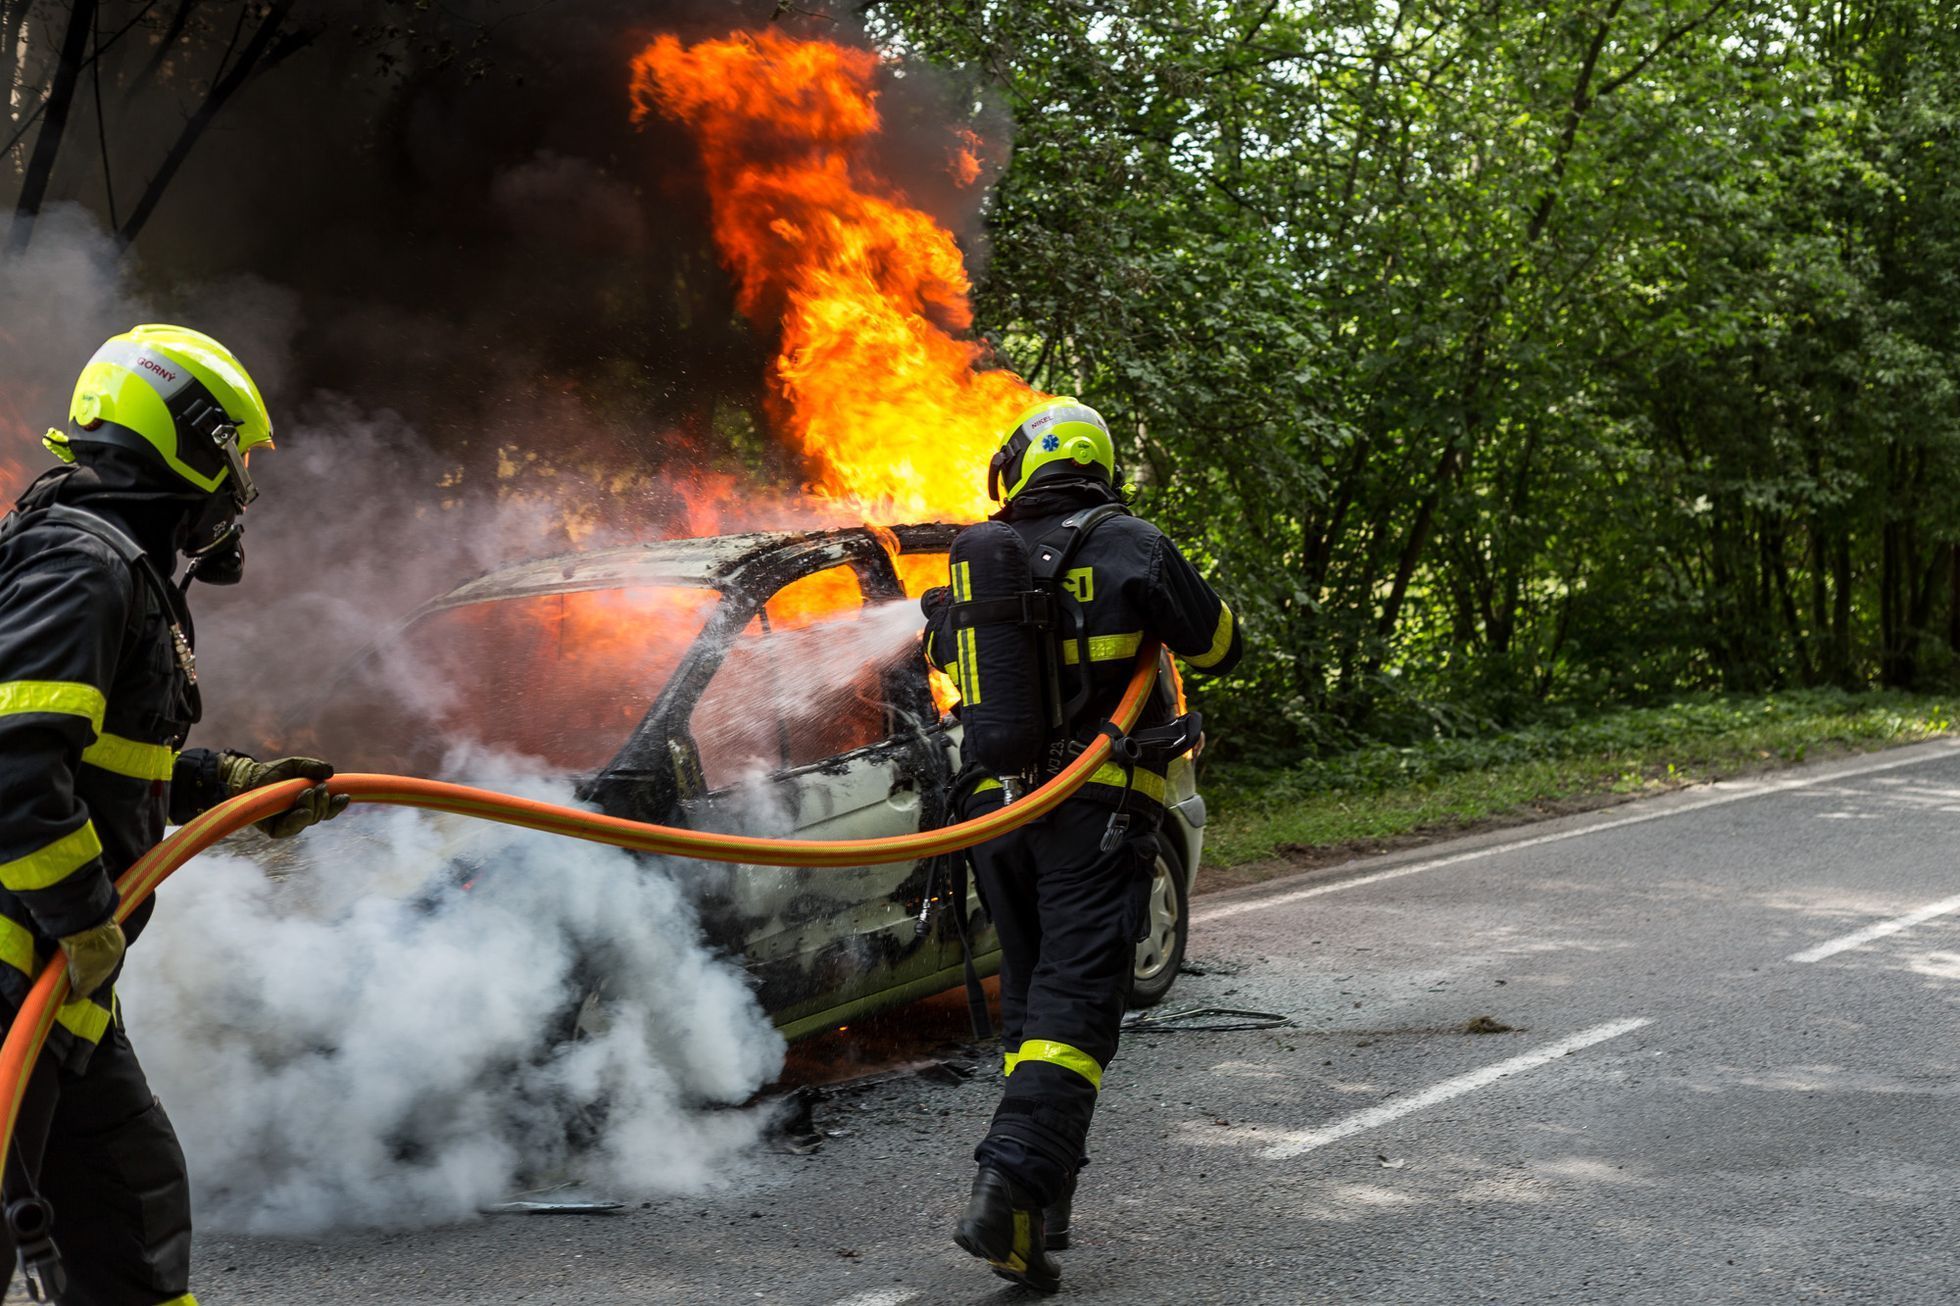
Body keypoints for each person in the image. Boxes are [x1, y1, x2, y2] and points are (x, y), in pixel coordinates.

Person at [0, 324, 347, 1305]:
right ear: (188, 438)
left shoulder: (103, 560)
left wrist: (222, 782)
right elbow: (16, 766)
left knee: (128, 1209)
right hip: (21, 971)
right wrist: (77, 914)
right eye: (235, 455)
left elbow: (97, 759)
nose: (239, 491)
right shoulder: (84, 558)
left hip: (57, 982)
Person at [924, 397, 1243, 1293]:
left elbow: (954, 672)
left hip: (996, 818)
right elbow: (1219, 645)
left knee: (1032, 999)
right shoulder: (1129, 542)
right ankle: (1008, 1184)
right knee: (1077, 1008)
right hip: (1094, 814)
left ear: (1021, 465)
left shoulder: (978, 560)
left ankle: (1040, 1207)